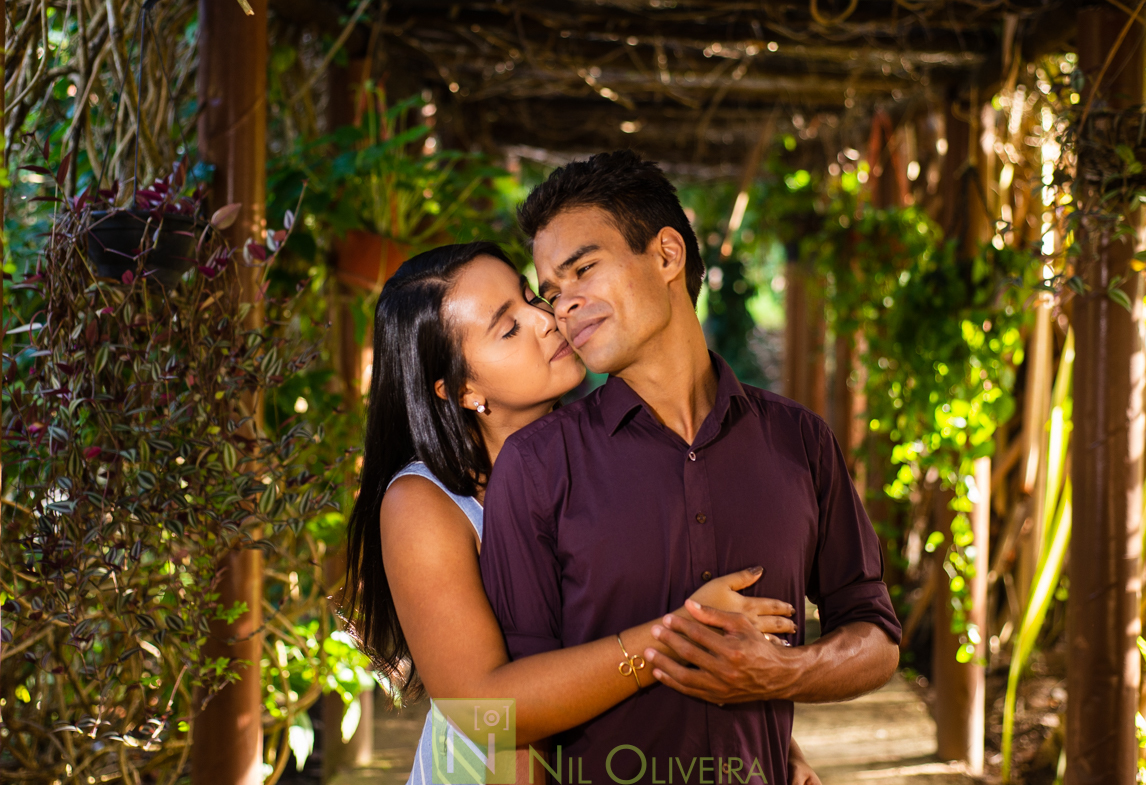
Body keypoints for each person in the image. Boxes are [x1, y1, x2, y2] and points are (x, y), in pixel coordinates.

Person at [479, 151, 902, 785]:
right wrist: (671, 642)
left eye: (584, 270)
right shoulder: (539, 465)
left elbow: (875, 635)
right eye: (552, 292)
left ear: (668, 255)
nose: (563, 306)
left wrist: (783, 674)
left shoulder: (800, 440)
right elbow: (509, 715)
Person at [342, 242, 822, 785]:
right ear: (461, 390)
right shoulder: (425, 504)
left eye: (530, 298)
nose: (546, 321)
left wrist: (779, 750)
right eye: (508, 328)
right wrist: (678, 637)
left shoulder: (616, 451)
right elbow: (484, 712)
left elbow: (628, 608)